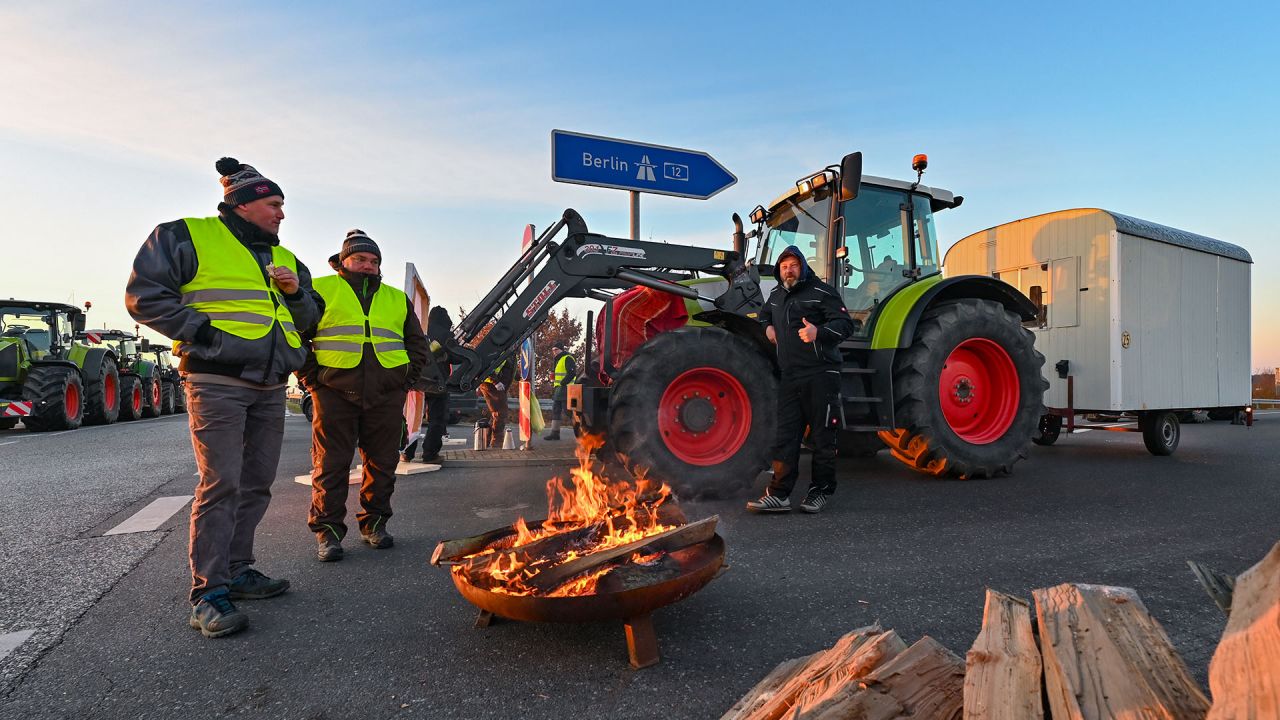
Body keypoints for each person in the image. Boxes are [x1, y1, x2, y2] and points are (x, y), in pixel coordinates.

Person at [126, 157, 322, 638]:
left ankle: (237, 570)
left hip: (272, 385)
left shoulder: (288, 261)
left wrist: (296, 294)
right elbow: (144, 296)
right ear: (245, 203)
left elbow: (309, 319)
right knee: (222, 484)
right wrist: (207, 335)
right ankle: (207, 593)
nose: (281, 215)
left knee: (256, 483)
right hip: (217, 381)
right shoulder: (184, 235)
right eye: (274, 205)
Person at [300, 230, 430, 562]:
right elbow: (299, 336)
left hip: (386, 394)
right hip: (333, 392)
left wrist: (403, 382)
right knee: (331, 465)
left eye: (374, 261)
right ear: (343, 260)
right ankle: (327, 534)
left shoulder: (395, 298)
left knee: (383, 464)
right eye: (360, 259)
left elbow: (416, 344)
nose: (368, 265)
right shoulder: (320, 289)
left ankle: (375, 524)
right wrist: (312, 380)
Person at [747, 245, 855, 514]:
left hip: (821, 374)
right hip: (790, 376)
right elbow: (763, 316)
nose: (789, 270)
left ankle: (820, 491)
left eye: (793, 265)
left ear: (803, 267)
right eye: (784, 267)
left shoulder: (822, 292)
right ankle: (779, 493)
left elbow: (845, 324)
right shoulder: (775, 295)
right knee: (785, 436)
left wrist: (819, 332)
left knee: (822, 437)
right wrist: (767, 327)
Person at [402, 305, 461, 463]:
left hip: (415, 381)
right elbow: (456, 357)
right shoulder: (445, 335)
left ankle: (407, 453)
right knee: (437, 419)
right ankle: (430, 454)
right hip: (437, 383)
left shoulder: (419, 330)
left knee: (412, 417)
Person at [476, 357, 515, 448]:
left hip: (491, 384)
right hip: (491, 384)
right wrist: (496, 382)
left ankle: (487, 440)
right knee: (501, 413)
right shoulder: (502, 348)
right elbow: (488, 365)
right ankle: (496, 441)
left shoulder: (508, 350)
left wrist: (519, 377)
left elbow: (509, 369)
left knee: (496, 413)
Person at [543, 341, 577, 440]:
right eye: (553, 350)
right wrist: (553, 379)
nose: (554, 352)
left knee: (568, 411)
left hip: (566, 389)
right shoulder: (558, 360)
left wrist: (562, 382)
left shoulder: (568, 358)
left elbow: (572, 373)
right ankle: (555, 433)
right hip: (559, 389)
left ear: (562, 349)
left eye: (556, 350)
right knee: (556, 410)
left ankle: (582, 430)